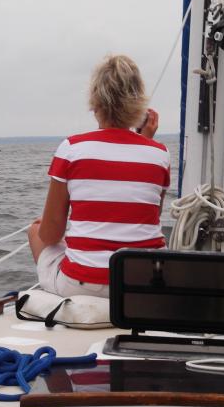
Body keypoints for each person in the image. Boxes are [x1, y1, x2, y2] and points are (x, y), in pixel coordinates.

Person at [27, 54, 171, 298]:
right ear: (139, 105)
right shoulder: (160, 154)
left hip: (83, 285)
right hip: (144, 286)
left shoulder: (71, 149)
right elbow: (146, 217)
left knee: (36, 229)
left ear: (95, 103)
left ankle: (64, 305)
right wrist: (145, 140)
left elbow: (51, 234)